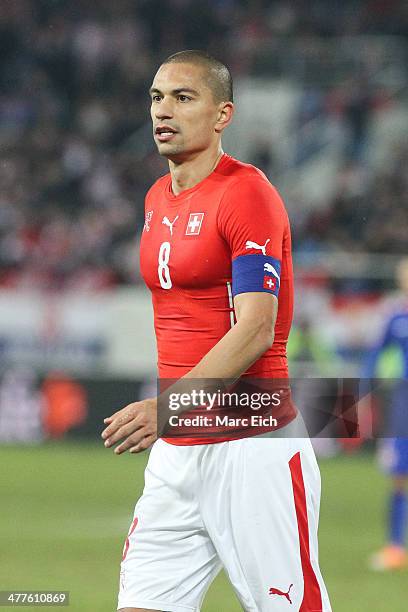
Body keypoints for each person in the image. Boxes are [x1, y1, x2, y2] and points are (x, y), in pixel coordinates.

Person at [102, 50, 331, 612]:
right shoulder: (159, 197)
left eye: (184, 98)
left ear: (222, 115)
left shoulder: (247, 194)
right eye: (157, 97)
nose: (165, 110)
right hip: (179, 453)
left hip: (252, 448)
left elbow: (256, 329)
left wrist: (167, 407)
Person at [366, 258, 408, 571]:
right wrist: (363, 392)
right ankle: (395, 546)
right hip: (403, 400)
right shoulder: (395, 316)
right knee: (399, 475)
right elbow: (374, 355)